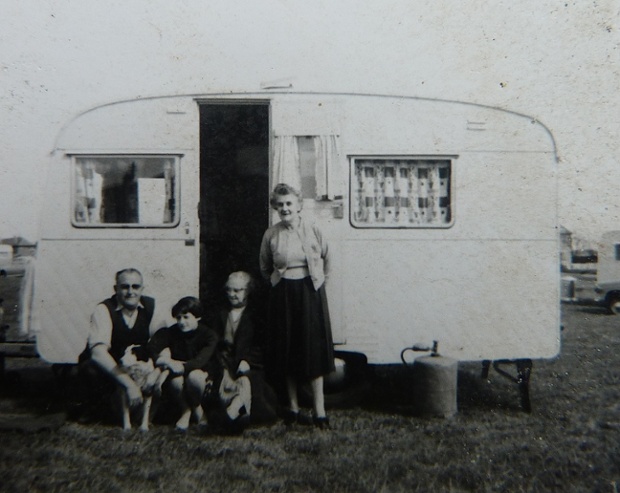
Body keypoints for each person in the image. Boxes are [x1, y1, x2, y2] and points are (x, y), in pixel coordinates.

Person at [259, 183, 335, 429]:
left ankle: (319, 411)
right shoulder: (271, 234)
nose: (285, 208)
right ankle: (292, 407)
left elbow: (328, 257)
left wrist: (319, 282)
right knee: (287, 348)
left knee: (313, 349)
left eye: (289, 203)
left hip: (309, 291)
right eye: (280, 205)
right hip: (283, 294)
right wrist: (275, 283)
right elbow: (264, 266)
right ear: (274, 208)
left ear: (299, 205)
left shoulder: (313, 227)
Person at [85, 268, 168, 421]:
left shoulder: (152, 307)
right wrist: (129, 384)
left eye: (135, 287)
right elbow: (98, 353)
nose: (131, 292)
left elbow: (163, 345)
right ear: (115, 289)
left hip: (138, 370)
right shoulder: (103, 309)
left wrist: (155, 374)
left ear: (142, 289)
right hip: (112, 372)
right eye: (125, 287)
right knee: (91, 371)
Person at [205, 271, 278, 432]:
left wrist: (248, 360)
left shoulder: (256, 315)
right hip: (223, 362)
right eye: (229, 290)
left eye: (237, 290)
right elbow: (212, 341)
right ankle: (233, 414)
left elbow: (261, 344)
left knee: (251, 386)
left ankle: (235, 414)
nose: (232, 294)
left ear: (248, 291)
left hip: (248, 364)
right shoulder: (219, 313)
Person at [148, 296, 218, 431]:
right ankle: (185, 410)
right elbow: (151, 348)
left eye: (186, 317)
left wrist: (180, 366)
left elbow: (200, 361)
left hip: (201, 374)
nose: (181, 322)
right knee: (175, 381)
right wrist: (164, 360)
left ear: (197, 317)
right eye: (178, 318)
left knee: (194, 377)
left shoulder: (209, 335)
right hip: (177, 374)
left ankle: (197, 407)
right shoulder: (172, 332)